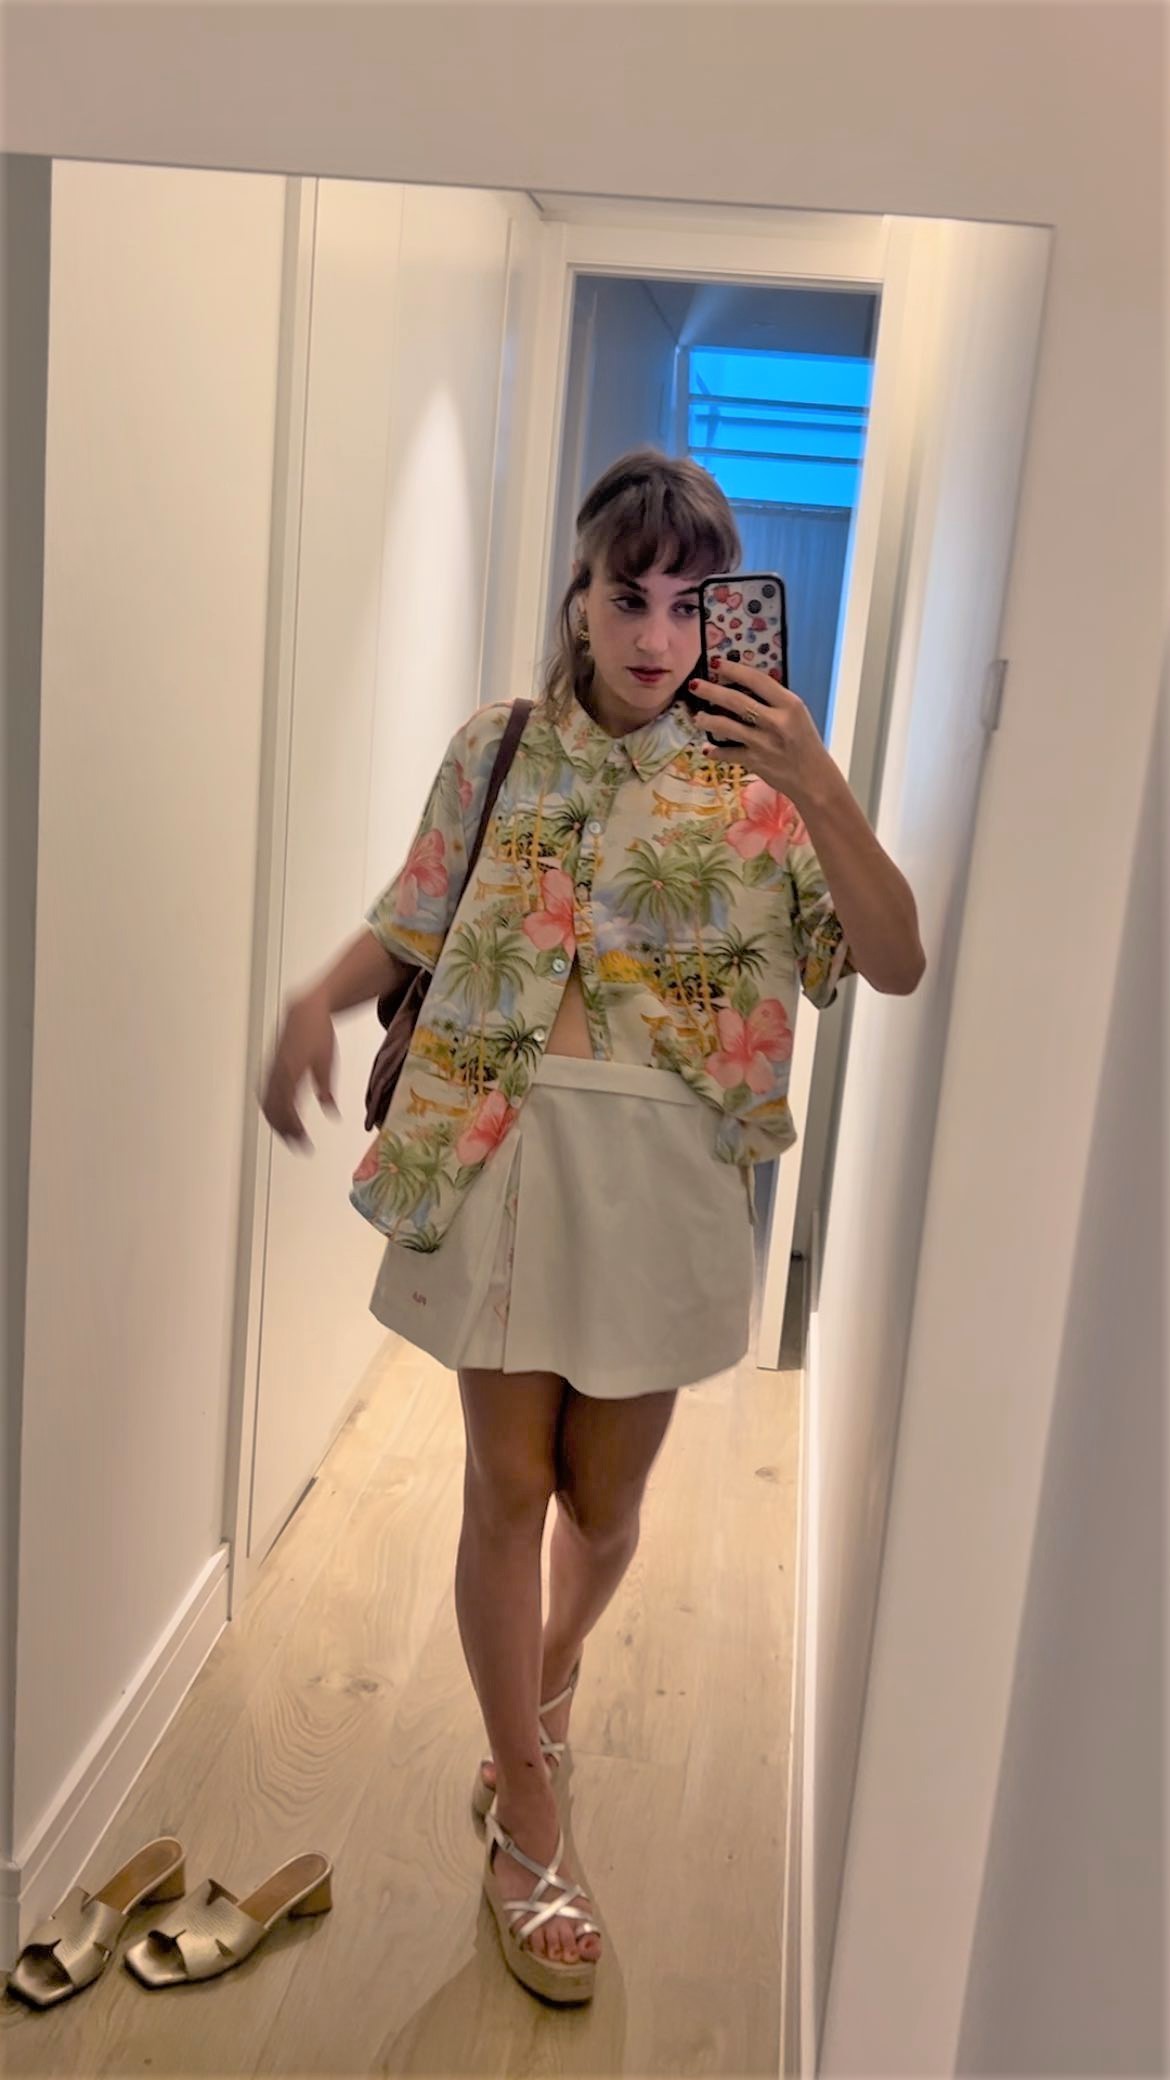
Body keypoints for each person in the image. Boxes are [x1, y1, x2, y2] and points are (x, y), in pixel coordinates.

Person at [260, 448, 925, 2006]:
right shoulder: (497, 747)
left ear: (728, 619)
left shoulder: (769, 783)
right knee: (505, 1485)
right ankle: (527, 1807)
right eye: (630, 596)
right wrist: (311, 1000)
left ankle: (547, 1683)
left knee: (601, 1503)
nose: (656, 634)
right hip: (497, 1139)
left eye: (692, 606)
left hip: (672, 1171)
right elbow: (414, 917)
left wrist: (819, 783)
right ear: (580, 598)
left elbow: (891, 960)